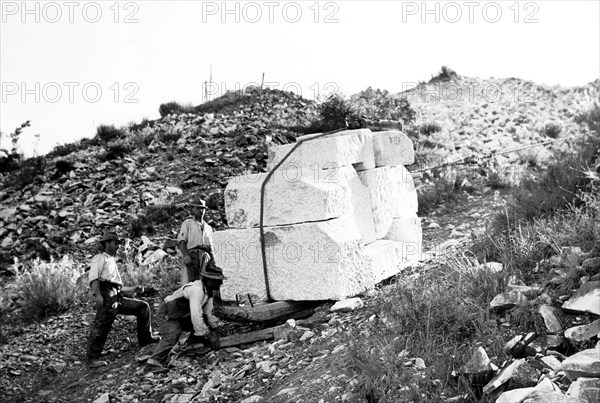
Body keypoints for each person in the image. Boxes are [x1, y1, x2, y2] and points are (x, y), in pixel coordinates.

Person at [87, 231, 160, 368]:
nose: (117, 247)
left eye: (118, 244)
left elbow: (117, 286)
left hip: (115, 295)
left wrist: (133, 289)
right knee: (102, 324)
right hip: (107, 295)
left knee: (142, 307)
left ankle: (146, 339)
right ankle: (92, 358)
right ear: (107, 244)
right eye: (115, 243)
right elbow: (93, 279)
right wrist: (98, 295)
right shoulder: (99, 258)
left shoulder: (111, 260)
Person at [144, 264, 226, 372]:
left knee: (204, 321)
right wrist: (209, 334)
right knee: (172, 335)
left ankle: (193, 345)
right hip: (168, 314)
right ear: (208, 280)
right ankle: (152, 363)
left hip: (181, 315)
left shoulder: (208, 292)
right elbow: (196, 316)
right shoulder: (197, 290)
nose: (220, 283)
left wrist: (216, 328)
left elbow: (208, 313)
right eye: (217, 281)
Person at [177, 198, 222, 329]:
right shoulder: (188, 223)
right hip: (192, 255)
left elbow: (210, 246)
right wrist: (185, 255)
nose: (201, 211)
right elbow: (182, 241)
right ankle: (190, 318)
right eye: (198, 208)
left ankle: (208, 317)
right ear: (193, 209)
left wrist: (213, 260)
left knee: (204, 285)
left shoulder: (207, 227)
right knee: (190, 285)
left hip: (205, 256)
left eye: (203, 208)